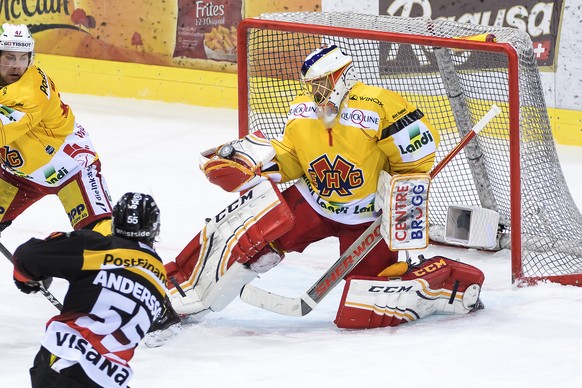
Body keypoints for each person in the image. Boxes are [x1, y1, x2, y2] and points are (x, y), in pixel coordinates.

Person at [160, 45, 484, 331]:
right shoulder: (303, 108)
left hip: (365, 218)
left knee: (365, 307)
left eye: (322, 81)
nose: (315, 89)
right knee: (253, 245)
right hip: (313, 202)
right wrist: (256, 167)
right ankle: (187, 298)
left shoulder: (378, 105)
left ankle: (440, 284)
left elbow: (417, 155)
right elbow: (293, 157)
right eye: (312, 83)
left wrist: (400, 194)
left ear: (342, 75)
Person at [12, 192, 178, 387]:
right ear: (154, 229)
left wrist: (27, 279)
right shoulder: (159, 276)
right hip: (108, 379)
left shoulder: (97, 246)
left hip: (64, 363)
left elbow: (27, 257)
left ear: (115, 222)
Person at [0, 23, 112, 238]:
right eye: (9, 57)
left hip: (69, 167)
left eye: (23, 57)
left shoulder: (29, 94)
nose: (17, 66)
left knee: (103, 237)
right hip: (18, 174)